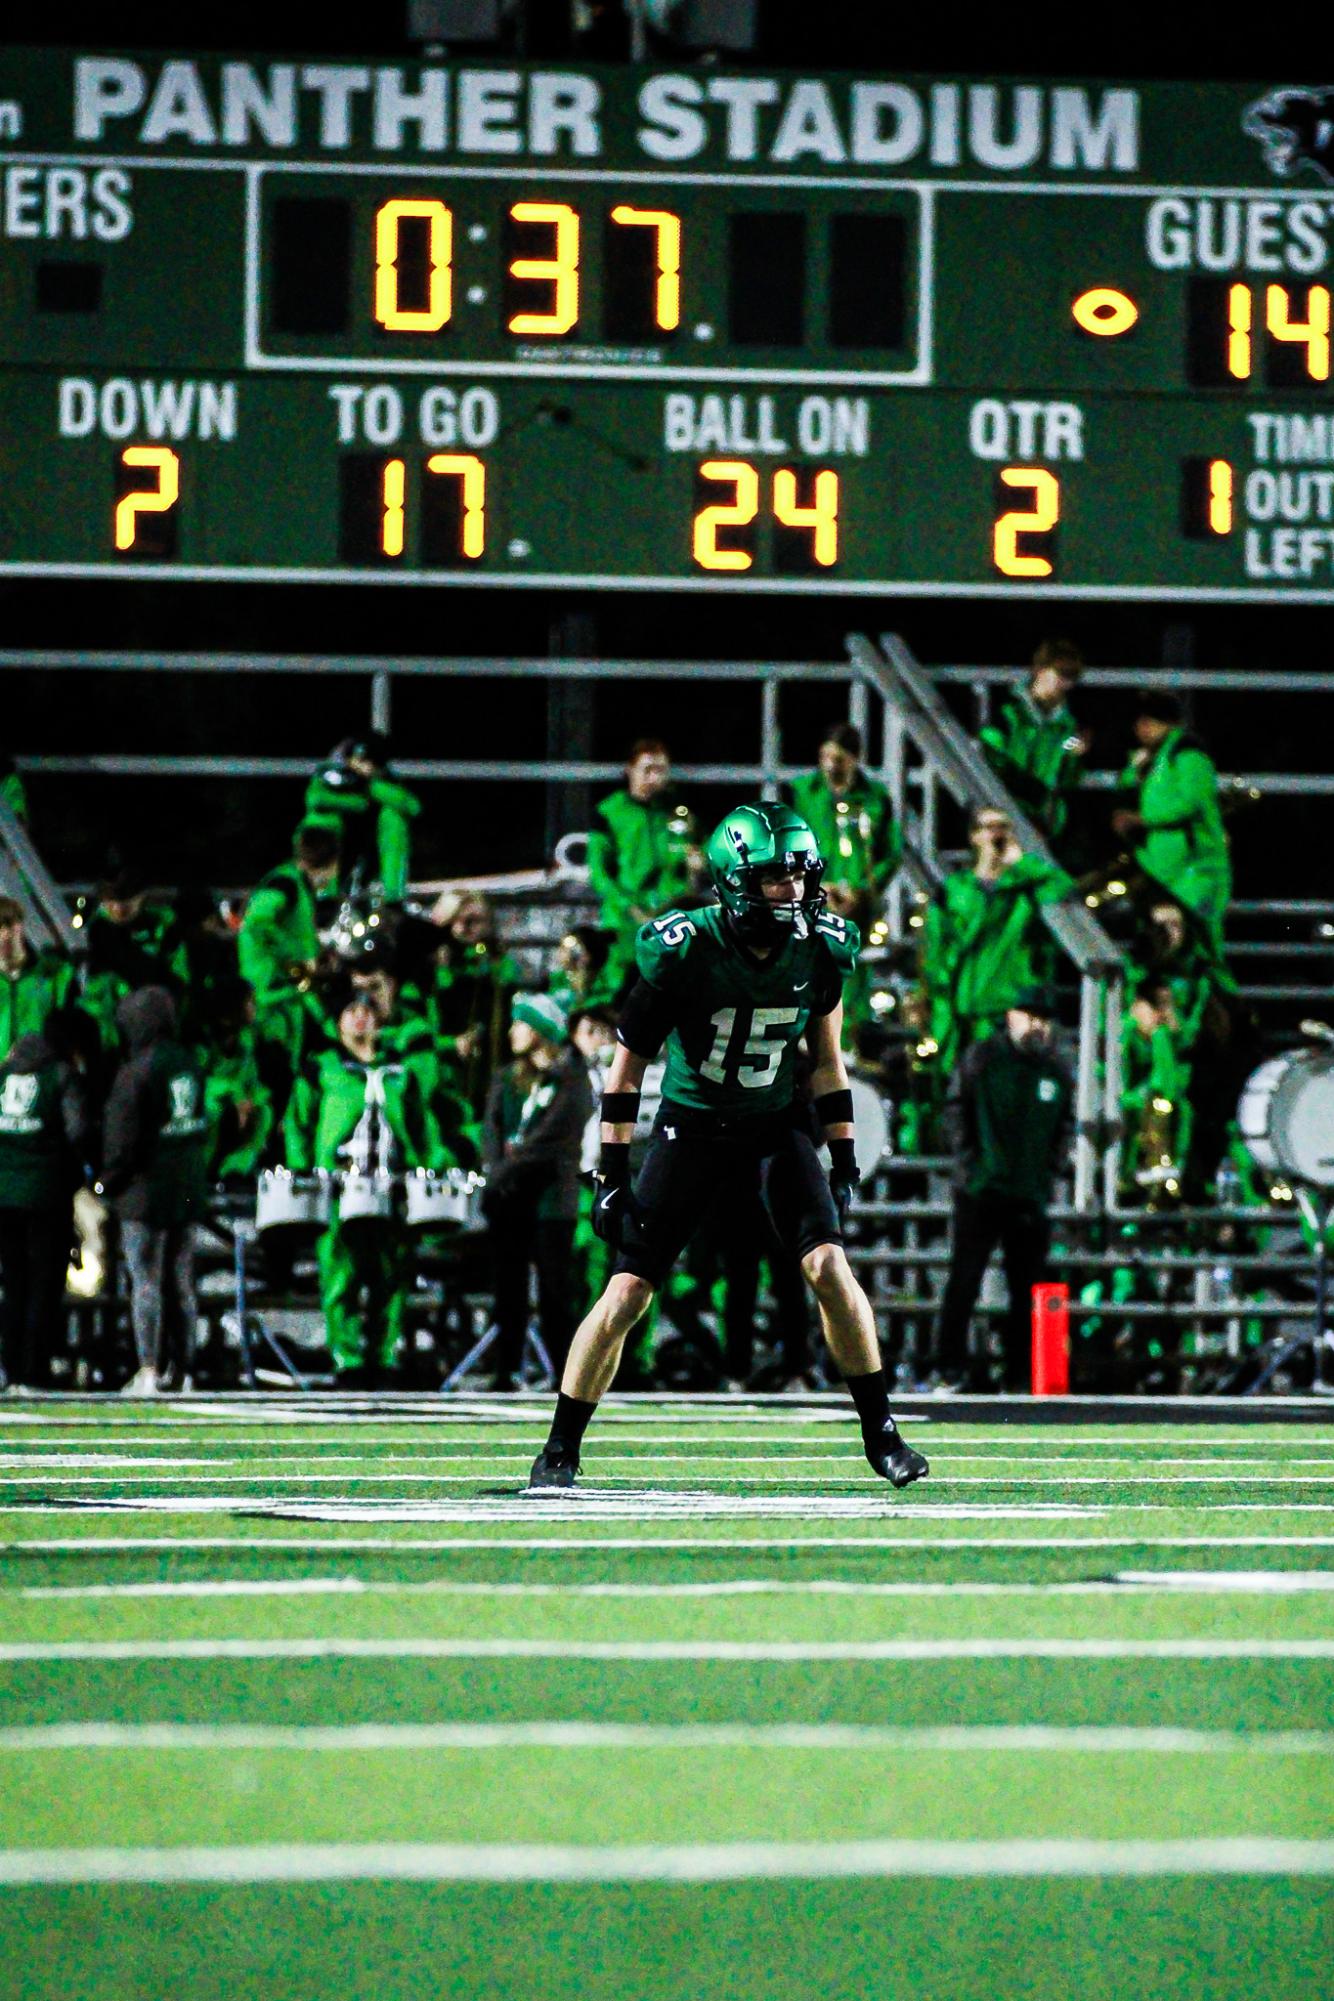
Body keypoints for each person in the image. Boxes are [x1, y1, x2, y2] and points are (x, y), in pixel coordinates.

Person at [527, 801, 928, 1490]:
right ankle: (560, 1446)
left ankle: (881, 1431)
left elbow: (827, 1060)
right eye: (776, 877)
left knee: (830, 1268)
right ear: (736, 879)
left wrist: (842, 1155)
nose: (794, 891)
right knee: (627, 1291)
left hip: (774, 1124)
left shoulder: (820, 946)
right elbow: (627, 1065)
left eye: (801, 875)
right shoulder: (685, 948)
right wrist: (611, 1171)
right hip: (693, 1126)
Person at [285, 987, 448, 1388]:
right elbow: (298, 1123)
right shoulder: (321, 1068)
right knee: (341, 1273)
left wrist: (429, 1168)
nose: (360, 1017)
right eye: (351, 1010)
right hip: (341, 1186)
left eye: (367, 1010)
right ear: (338, 1021)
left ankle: (383, 1355)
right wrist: (304, 1170)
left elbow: (420, 1126)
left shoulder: (401, 1072)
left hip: (391, 1185)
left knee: (390, 1274)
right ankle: (348, 1358)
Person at [932, 986, 1074, 1393]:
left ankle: (1018, 1374)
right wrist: (970, 1167)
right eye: (1029, 1015)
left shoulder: (1055, 1070)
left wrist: (1049, 1172)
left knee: (1026, 1289)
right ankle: (949, 1368)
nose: (1037, 1025)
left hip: (1028, 1193)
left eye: (1043, 1018)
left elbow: (1064, 1126)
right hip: (981, 1191)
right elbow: (955, 1110)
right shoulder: (983, 1058)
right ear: (1010, 1016)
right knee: (965, 1279)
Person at [101, 987, 210, 1396]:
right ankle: (184, 1370)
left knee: (145, 1280)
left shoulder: (137, 1071)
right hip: (186, 1188)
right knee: (181, 1281)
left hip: (145, 1193)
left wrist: (106, 1183)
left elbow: (123, 1142)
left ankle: (148, 1368)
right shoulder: (189, 1065)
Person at [482, 993, 592, 1389]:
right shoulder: (505, 1078)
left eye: (521, 1023)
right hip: (510, 1202)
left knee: (555, 1294)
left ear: (542, 1032)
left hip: (550, 1201)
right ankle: (507, 1368)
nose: (513, 1031)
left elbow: (552, 1140)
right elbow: (491, 1130)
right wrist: (496, 1170)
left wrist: (504, 1171)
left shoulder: (573, 1081)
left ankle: (566, 1375)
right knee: (507, 1289)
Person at [922, 805, 1073, 1081]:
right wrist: (941, 1007)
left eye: (1003, 826)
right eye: (989, 826)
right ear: (974, 836)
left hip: (1007, 1007)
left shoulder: (1024, 888)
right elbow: (937, 950)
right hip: (963, 1009)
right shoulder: (953, 890)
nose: (997, 834)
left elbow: (1062, 886)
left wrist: (1020, 861)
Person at [0, 1022, 88, 1390]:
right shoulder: (61, 1076)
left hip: (3, 1197)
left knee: (13, 1284)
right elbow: (77, 1131)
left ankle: (8, 1365)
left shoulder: (2, 1076)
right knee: (43, 1285)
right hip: (47, 1197)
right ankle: (33, 1369)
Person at [1112, 690, 1231, 958]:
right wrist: (1133, 773)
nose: (1138, 730)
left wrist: (1142, 820)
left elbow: (1191, 803)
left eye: (1143, 722)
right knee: (1166, 951)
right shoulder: (1156, 758)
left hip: (1194, 872)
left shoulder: (1187, 753)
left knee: (1200, 952)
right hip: (1164, 871)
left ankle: (1219, 999)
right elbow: (1126, 793)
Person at [238, 821, 341, 1115]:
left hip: (283, 994)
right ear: (331, 863)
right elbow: (257, 923)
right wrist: (296, 959)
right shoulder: (285, 884)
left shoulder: (293, 884)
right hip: (271, 998)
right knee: (274, 1080)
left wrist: (314, 955)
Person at [587, 739, 703, 979]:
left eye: (661, 771)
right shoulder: (608, 812)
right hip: (624, 927)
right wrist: (630, 907)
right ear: (630, 770)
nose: (654, 778)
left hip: (670, 921)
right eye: (647, 770)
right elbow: (599, 874)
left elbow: (700, 848)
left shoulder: (676, 810)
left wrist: (698, 862)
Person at [978, 639, 1090, 844]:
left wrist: (1077, 754)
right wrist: (1030, 793)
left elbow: (1066, 774)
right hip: (1003, 815)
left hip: (1043, 823)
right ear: (1040, 670)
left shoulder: (1069, 728)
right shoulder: (1008, 714)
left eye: (1073, 677)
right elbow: (991, 760)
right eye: (1061, 674)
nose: (1067, 684)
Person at [790, 722, 901, 927]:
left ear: (854, 759)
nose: (830, 766)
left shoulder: (875, 798)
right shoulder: (802, 792)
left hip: (858, 903)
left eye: (838, 759)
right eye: (825, 757)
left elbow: (892, 851)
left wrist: (862, 888)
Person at [81, 865, 189, 1055]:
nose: (118, 908)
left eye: (125, 900)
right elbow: (94, 988)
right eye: (111, 901)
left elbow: (179, 981)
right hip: (112, 1034)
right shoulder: (98, 930)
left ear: (141, 897)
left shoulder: (163, 925)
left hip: (156, 1028)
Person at [304, 735, 422, 902]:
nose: (362, 766)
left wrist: (367, 785)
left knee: (394, 818)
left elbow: (412, 806)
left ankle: (393, 896)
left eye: (368, 762)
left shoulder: (383, 780)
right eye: (359, 760)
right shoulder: (331, 774)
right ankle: (324, 894)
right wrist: (359, 803)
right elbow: (316, 800)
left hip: (371, 845)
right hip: (336, 842)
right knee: (324, 821)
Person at [0, 897, 78, 1063]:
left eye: (9, 925)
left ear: (20, 926)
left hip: (44, 1075)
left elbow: (75, 1032)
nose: (4, 935)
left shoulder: (57, 976)